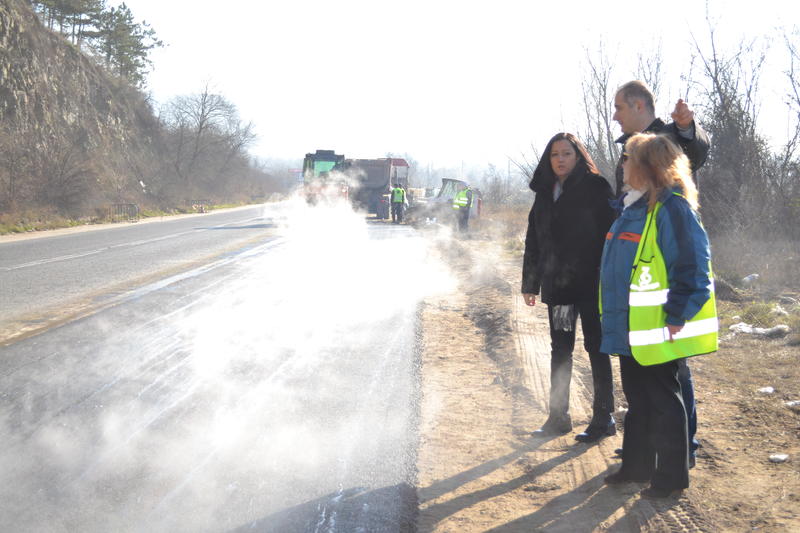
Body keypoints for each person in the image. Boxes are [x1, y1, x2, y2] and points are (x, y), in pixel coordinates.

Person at [601, 133, 717, 499]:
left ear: (647, 167)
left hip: (658, 328)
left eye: (627, 158)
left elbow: (694, 270)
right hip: (632, 328)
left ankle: (670, 477)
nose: (622, 164)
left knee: (664, 401)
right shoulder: (632, 208)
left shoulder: (673, 210)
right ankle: (636, 466)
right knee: (637, 399)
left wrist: (677, 315)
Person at [612, 80, 710, 465]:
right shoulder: (631, 146)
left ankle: (682, 448)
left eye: (618, 107)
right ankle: (647, 448)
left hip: (667, 274)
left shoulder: (667, 139)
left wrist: (688, 127)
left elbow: (695, 149)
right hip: (642, 276)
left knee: (671, 370)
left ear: (638, 105)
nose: (615, 115)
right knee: (645, 371)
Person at [522, 133, 617, 441]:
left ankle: (604, 418)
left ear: (578, 157)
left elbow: (610, 236)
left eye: (566, 154)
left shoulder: (596, 188)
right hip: (560, 290)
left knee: (596, 347)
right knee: (561, 349)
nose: (560, 159)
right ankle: (558, 416)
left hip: (590, 287)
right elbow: (534, 239)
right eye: (554, 155)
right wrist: (530, 283)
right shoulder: (545, 193)